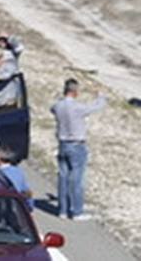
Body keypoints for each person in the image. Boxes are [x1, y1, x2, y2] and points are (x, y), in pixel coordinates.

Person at [51, 78, 105, 221]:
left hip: (62, 144)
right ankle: (76, 211)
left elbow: (52, 108)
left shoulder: (58, 106)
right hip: (76, 144)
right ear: (75, 92)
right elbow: (97, 106)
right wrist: (100, 95)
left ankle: (62, 209)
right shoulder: (78, 107)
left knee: (63, 177)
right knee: (76, 179)